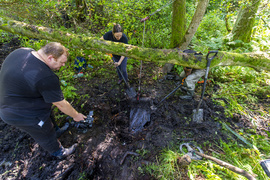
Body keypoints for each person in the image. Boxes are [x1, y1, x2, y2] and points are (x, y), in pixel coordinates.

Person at [0, 42, 86, 159]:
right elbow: (60, 104)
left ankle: (57, 131)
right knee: (44, 130)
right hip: (18, 112)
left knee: (47, 112)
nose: (64, 65)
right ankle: (58, 152)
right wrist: (76, 115)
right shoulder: (45, 76)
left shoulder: (23, 51)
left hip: (20, 97)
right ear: (50, 58)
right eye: (61, 62)